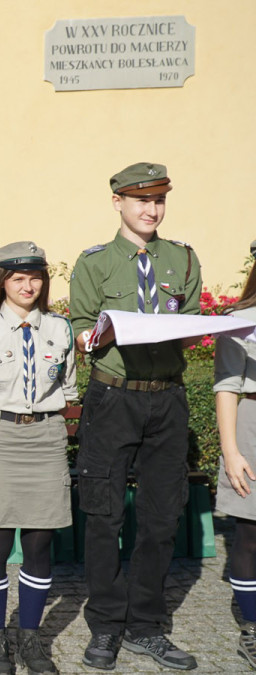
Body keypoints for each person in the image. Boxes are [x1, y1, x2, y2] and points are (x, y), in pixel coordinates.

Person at [70, 163, 201, 671]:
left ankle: (146, 626)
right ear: (118, 202)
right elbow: (81, 326)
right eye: (142, 200)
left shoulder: (183, 258)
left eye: (159, 200)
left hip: (167, 398)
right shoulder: (95, 263)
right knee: (104, 516)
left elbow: (190, 320)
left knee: (161, 518)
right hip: (113, 398)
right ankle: (106, 624)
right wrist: (93, 335)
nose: (152, 210)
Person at [0, 242, 77, 675]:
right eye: (18, 279)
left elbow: (69, 394)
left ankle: (30, 638)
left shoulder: (60, 329)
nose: (28, 286)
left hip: (47, 439)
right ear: (2, 282)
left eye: (35, 278)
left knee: (40, 544)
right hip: (0, 438)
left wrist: (54, 433)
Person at [213, 239, 256, 670]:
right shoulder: (239, 321)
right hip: (253, 425)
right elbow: (227, 386)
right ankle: (253, 628)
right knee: (250, 532)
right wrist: (231, 451)